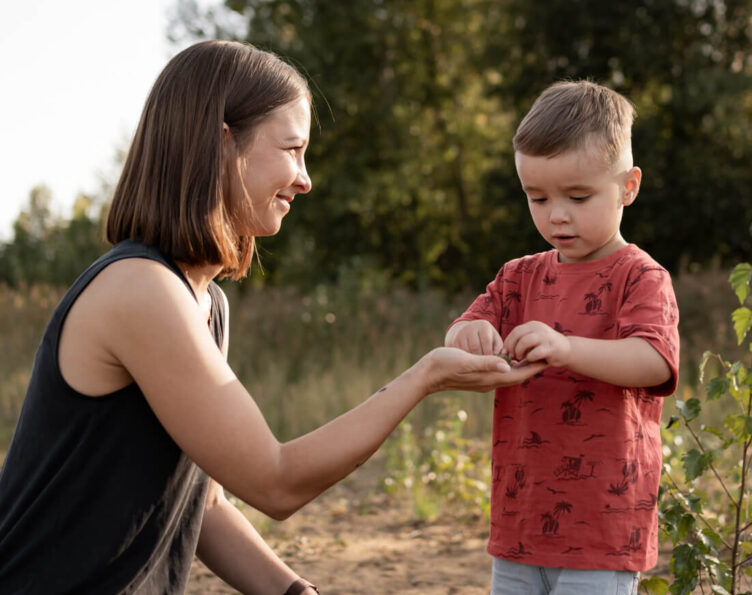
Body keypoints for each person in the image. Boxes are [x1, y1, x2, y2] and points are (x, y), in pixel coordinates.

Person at [0, 40, 544, 595]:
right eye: (292, 149)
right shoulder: (140, 289)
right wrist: (424, 377)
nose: (305, 179)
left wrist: (295, 592)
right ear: (221, 143)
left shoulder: (204, 302)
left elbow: (202, 501)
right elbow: (275, 482)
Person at [445, 80, 681, 594]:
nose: (556, 214)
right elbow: (459, 331)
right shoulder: (518, 276)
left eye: (578, 196)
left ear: (629, 186)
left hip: (603, 528)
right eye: (537, 197)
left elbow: (654, 361)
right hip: (519, 522)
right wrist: (473, 332)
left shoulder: (640, 276)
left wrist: (566, 346)